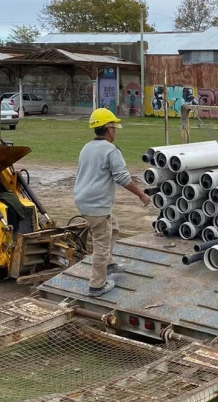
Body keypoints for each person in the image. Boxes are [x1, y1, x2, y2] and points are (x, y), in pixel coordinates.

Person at [74, 108, 150, 297]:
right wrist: (142, 195)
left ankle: (109, 265)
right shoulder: (110, 150)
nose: (115, 130)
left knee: (112, 227)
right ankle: (97, 285)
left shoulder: (87, 147)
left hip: (85, 202)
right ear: (108, 129)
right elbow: (122, 178)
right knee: (102, 244)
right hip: (97, 206)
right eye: (114, 127)